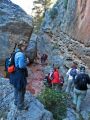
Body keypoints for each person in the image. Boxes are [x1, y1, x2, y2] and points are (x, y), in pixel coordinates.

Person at [9, 41, 28, 110]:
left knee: (16, 88)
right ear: (22, 46)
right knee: (21, 89)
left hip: (14, 73)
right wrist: (27, 62)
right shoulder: (21, 55)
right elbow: (21, 66)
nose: (26, 48)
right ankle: (20, 106)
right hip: (19, 74)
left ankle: (16, 102)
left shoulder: (15, 52)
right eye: (25, 46)